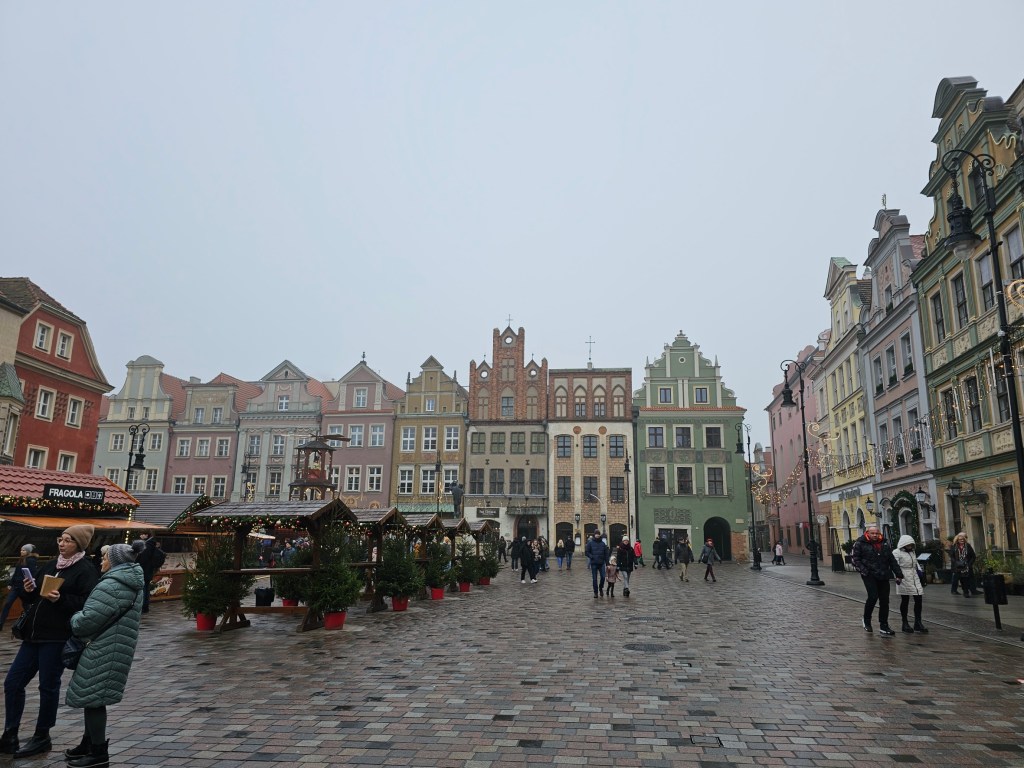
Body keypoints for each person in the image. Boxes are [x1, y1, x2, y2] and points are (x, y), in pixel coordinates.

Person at [1, 525, 99, 758]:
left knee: (48, 686)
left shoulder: (85, 570)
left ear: (79, 544)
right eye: (60, 539)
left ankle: (42, 735)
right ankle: (10, 734)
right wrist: (27, 590)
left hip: (56, 637)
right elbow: (34, 595)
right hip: (33, 635)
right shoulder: (52, 564)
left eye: (68, 540)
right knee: (13, 683)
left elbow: (88, 603)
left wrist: (61, 599)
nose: (61, 544)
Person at [63, 543, 144, 767]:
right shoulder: (131, 581)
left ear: (115, 561)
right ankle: (89, 743)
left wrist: (75, 617)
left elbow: (86, 622)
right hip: (115, 646)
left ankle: (98, 752)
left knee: (94, 698)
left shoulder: (111, 584)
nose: (101, 561)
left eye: (105, 557)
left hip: (102, 647)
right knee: (93, 696)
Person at [851, 524, 904, 636]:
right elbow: (855, 559)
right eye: (872, 533)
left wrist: (898, 573)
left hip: (884, 574)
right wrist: (865, 571)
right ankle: (866, 620)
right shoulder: (860, 543)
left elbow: (892, 560)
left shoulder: (884, 543)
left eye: (877, 533)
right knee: (873, 597)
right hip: (869, 575)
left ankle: (884, 625)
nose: (875, 535)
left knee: (885, 600)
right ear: (867, 533)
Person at [893, 535, 928, 634]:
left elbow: (915, 563)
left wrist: (921, 574)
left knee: (918, 598)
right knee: (905, 600)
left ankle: (918, 622)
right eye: (908, 544)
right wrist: (897, 576)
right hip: (903, 576)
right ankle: (905, 623)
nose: (910, 546)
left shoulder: (912, 551)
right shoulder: (896, 552)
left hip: (914, 575)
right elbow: (894, 565)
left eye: (911, 544)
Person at [0, 546, 37, 632]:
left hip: (24, 588)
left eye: (23, 550)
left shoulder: (31, 561)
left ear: (28, 551)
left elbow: (33, 574)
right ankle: (1, 623)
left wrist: (31, 585)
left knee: (26, 606)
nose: (21, 551)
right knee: (7, 604)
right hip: (16, 587)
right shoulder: (21, 559)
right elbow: (16, 573)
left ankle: (31, 623)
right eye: (21, 550)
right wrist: (10, 583)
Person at [133, 535, 166, 614]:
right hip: (150, 571)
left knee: (143, 589)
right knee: (146, 589)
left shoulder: (145, 548)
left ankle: (143, 606)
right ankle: (146, 606)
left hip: (143, 571)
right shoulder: (153, 548)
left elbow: (143, 561)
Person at [949, 532, 979, 597]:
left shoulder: (968, 546)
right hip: (957, 567)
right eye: (960, 539)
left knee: (967, 579)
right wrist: (956, 563)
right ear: (957, 540)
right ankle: (957, 591)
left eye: (963, 539)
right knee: (957, 579)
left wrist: (969, 564)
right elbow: (951, 556)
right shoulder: (954, 547)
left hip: (967, 566)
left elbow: (973, 556)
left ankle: (968, 591)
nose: (962, 540)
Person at [585, 531, 609, 598]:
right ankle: (595, 592)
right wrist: (591, 556)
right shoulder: (590, 543)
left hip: (601, 563)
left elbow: (606, 554)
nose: (597, 535)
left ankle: (600, 588)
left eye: (598, 534)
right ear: (594, 535)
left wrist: (607, 563)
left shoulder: (603, 543)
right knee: (594, 579)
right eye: (596, 534)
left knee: (603, 577)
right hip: (594, 563)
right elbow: (586, 552)